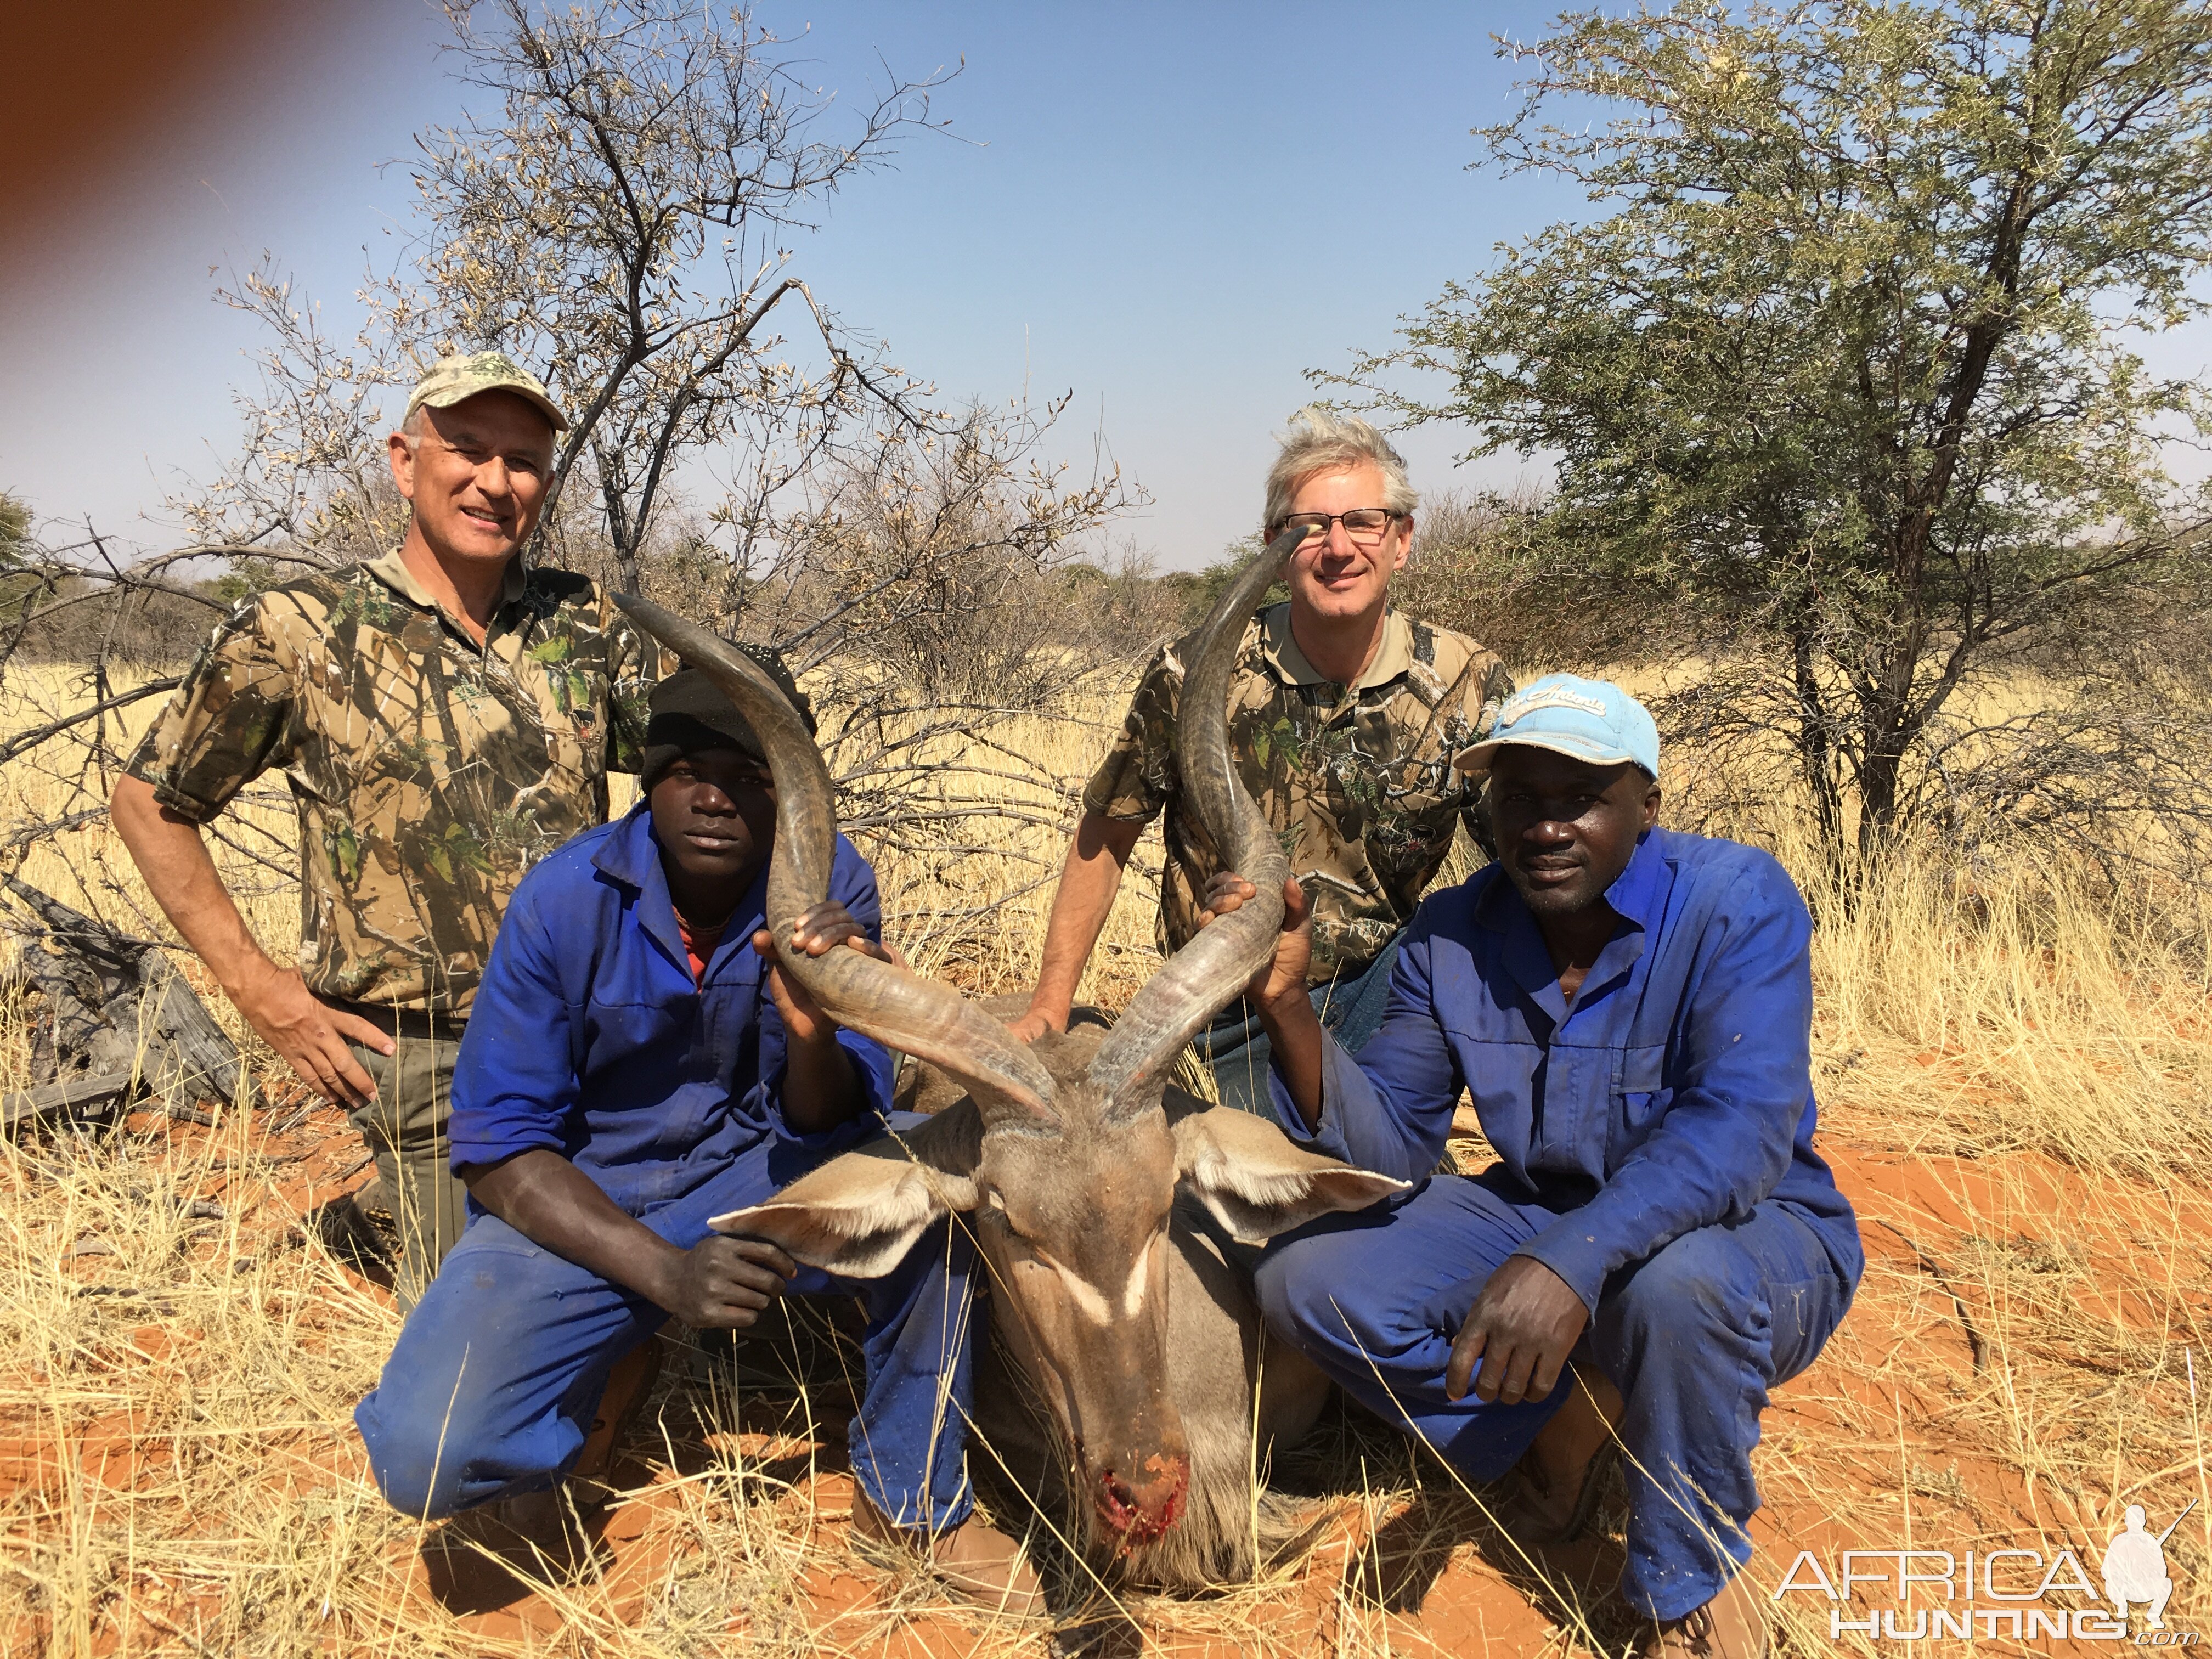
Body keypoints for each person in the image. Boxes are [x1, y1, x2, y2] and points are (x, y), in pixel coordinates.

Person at [352, 665, 1041, 1610]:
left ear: (788, 792)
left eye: (749, 773)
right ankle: (580, 1409)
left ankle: (910, 1497)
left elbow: (838, 1122)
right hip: (587, 1197)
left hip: (764, 1170)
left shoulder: (829, 882)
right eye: (688, 768)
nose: (716, 794)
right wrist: (667, 1275)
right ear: (651, 780)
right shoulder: (564, 896)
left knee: (935, 1181)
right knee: (425, 1453)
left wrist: (817, 1029)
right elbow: (503, 1150)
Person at [1204, 675, 1862, 1659]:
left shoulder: (1735, 899)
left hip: (1748, 1228)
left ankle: (1687, 1582)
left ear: (1647, 803)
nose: (1544, 827)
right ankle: (1560, 1420)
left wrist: (1569, 1260)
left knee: (1672, 1293)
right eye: (1518, 798)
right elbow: (1392, 1149)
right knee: (1307, 1278)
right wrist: (1290, 1005)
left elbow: (1739, 1129)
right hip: (1540, 1209)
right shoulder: (1453, 932)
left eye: (1580, 798)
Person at [112, 351, 650, 1304]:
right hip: (422, 1053)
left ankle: (382, 1214)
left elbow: (700, 778)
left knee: (677, 1276)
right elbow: (152, 802)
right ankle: (395, 1205)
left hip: (590, 1034)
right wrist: (262, 990)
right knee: (499, 1328)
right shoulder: (297, 627)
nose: (496, 481)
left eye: (523, 460)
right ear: (405, 462)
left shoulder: (588, 622)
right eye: (469, 450)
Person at [1012, 406, 1513, 1111]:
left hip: (1382, 990)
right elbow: (1108, 831)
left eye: (1364, 522)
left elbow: (1528, 857)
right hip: (1230, 996)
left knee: (1387, 1181)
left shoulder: (1468, 678)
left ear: (1401, 540)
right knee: (1242, 1193)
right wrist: (1050, 1004)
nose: (1338, 547)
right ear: (1274, 546)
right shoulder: (1193, 672)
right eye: (1310, 528)